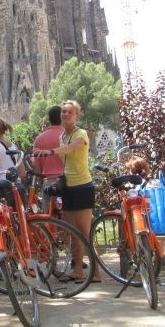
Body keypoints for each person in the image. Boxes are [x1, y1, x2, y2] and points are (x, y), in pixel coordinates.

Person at [34, 100, 101, 283]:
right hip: (68, 186)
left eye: (70, 112)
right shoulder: (62, 135)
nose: (65, 115)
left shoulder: (81, 134)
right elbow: (65, 154)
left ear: (77, 115)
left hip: (83, 187)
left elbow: (71, 149)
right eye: (63, 112)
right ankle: (77, 270)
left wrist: (49, 152)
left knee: (84, 232)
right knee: (72, 232)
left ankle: (95, 273)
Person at [32, 106, 64, 213]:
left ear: (49, 120)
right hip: (68, 181)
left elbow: (37, 167)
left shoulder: (39, 139)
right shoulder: (68, 136)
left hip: (49, 183)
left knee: (49, 220)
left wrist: (41, 185)